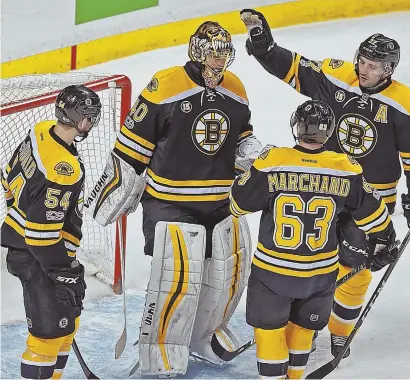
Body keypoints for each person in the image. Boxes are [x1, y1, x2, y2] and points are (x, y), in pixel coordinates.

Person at [240, 9, 410, 358]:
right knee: (316, 262)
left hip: (370, 199)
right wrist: (265, 47)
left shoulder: (405, 105)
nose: (363, 69)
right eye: (362, 60)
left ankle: (340, 332)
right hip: (325, 189)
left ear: (389, 69)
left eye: (373, 66)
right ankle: (307, 323)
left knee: (356, 270)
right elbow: (296, 69)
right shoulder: (336, 76)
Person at [84, 21, 262, 376]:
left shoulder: (236, 88)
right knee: (179, 272)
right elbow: (132, 147)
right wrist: (113, 193)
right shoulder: (164, 85)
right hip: (170, 201)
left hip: (221, 200)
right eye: (212, 52)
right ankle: (162, 346)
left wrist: (258, 156)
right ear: (197, 51)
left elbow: (242, 137)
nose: (218, 60)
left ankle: (204, 334)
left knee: (229, 269)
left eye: (224, 53)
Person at [229, 99, 397, 379]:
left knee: (270, 333)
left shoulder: (274, 161)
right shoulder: (346, 168)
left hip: (273, 273)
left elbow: (237, 205)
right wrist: (384, 244)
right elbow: (377, 218)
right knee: (303, 330)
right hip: (319, 276)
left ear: (296, 127)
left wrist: (247, 172)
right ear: (328, 132)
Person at [1, 85, 101, 379]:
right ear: (76, 118)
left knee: (66, 323)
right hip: (39, 255)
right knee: (46, 337)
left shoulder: (41, 131)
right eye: (88, 117)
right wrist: (62, 271)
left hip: (40, 250)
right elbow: (40, 236)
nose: (91, 123)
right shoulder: (63, 169)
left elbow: (8, 177)